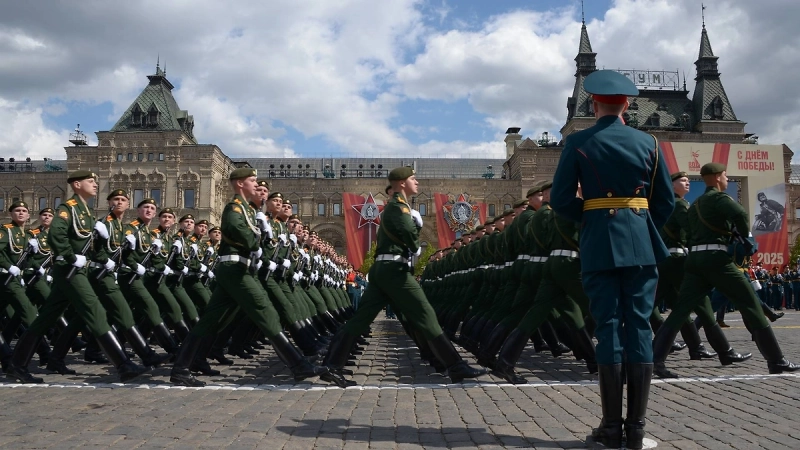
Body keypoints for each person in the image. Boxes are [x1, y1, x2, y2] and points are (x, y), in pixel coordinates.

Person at [550, 70, 675, 449]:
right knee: (639, 327)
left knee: (607, 328)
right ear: (628, 104)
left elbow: (560, 200)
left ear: (593, 105)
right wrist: (638, 224)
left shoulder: (578, 142)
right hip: (640, 244)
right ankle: (636, 430)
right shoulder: (648, 142)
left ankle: (610, 427)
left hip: (599, 243)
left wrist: (592, 217)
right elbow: (665, 202)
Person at [168, 168, 343, 388]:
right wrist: (259, 237)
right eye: (252, 180)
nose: (256, 185)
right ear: (240, 184)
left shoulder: (248, 211)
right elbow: (240, 232)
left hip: (240, 268)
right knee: (265, 311)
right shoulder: (234, 208)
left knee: (211, 320)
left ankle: (182, 367)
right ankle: (299, 365)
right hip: (236, 269)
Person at [323, 167, 487, 385]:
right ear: (401, 183)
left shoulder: (398, 207)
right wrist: (415, 229)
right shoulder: (398, 207)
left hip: (385, 269)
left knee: (361, 318)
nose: (416, 182)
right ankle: (455, 366)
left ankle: (331, 365)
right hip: (395, 272)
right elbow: (411, 239)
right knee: (426, 314)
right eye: (412, 178)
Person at [652, 163, 799, 382]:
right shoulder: (720, 199)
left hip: (694, 261)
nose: (727, 179)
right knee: (750, 304)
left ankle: (655, 359)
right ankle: (776, 360)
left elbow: (689, 233)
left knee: (680, 311)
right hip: (717, 260)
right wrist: (743, 237)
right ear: (717, 177)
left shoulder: (695, 204)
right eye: (725, 175)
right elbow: (740, 214)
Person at [6, 170, 149, 383]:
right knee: (94, 309)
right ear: (77, 184)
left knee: (45, 318)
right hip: (69, 269)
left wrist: (100, 240)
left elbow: (88, 244)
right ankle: (123, 364)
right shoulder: (68, 208)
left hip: (75, 269)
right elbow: (56, 235)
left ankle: (17, 365)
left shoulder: (87, 212)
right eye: (90, 181)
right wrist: (71, 256)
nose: (95, 184)